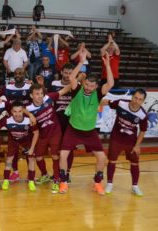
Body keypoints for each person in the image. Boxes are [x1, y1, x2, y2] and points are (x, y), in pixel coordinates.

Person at [58, 50, 114, 195]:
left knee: (102, 158)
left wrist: (107, 65)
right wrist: (81, 62)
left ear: (96, 86)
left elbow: (111, 83)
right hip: (73, 129)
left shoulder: (98, 93)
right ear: (83, 83)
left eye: (91, 86)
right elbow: (71, 77)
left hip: (89, 132)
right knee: (63, 155)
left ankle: (97, 183)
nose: (89, 87)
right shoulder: (76, 90)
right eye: (87, 84)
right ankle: (63, 182)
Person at [102, 89, 148, 196]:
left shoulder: (142, 115)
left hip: (131, 141)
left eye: (140, 99)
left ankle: (135, 186)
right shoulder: (121, 103)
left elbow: (143, 131)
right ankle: (109, 184)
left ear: (143, 101)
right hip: (116, 138)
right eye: (135, 98)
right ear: (132, 97)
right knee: (112, 161)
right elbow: (106, 102)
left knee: (135, 163)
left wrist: (137, 146)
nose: (137, 101)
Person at [26, 83, 71, 193]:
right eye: (37, 94)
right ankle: (45, 174)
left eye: (41, 93)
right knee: (38, 157)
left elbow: (64, 90)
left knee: (55, 155)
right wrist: (28, 113)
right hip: (42, 135)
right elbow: (19, 109)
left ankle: (56, 180)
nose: (40, 96)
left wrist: (76, 81)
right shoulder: (29, 108)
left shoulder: (48, 98)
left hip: (55, 132)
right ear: (31, 96)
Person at [0, 101, 39, 191]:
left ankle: (31, 181)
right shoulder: (6, 119)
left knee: (31, 158)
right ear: (11, 111)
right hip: (13, 141)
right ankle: (6, 180)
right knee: (9, 159)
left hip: (26, 141)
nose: (17, 114)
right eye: (15, 111)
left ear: (23, 111)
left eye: (20, 111)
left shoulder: (29, 119)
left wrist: (32, 148)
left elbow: (36, 133)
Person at [50, 63, 75, 182]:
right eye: (66, 72)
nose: (67, 75)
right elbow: (49, 99)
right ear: (61, 72)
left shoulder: (77, 85)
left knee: (68, 149)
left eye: (70, 73)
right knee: (56, 149)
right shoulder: (54, 84)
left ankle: (67, 173)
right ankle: (57, 172)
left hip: (71, 122)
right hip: (57, 122)